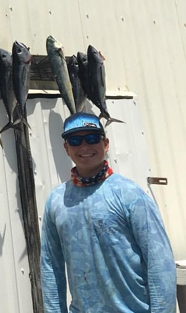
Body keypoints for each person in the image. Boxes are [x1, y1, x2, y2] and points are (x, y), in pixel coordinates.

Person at [40, 112, 176, 312]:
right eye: (75, 140)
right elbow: (51, 266)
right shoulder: (56, 200)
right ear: (66, 148)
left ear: (106, 144)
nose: (84, 147)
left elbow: (159, 262)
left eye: (92, 139)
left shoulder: (130, 194)